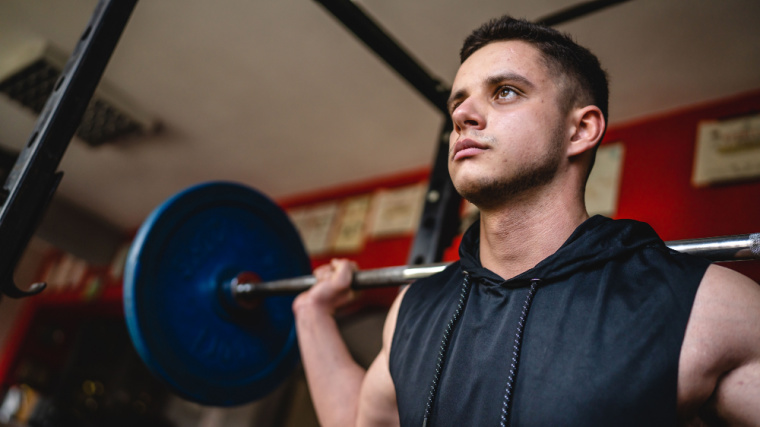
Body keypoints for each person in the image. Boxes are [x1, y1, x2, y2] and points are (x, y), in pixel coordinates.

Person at [292, 15, 760, 427]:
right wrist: (311, 314)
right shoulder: (413, 310)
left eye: (505, 92)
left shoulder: (708, 307)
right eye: (458, 102)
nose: (462, 116)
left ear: (580, 129)